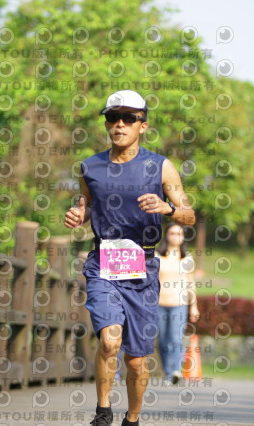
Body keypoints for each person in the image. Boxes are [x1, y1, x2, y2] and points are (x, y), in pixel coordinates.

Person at [64, 89, 195, 426]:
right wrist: (80, 213)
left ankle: (132, 418)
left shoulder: (161, 167)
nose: (119, 124)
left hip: (143, 271)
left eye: (128, 118)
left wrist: (167, 208)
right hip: (103, 265)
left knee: (137, 360)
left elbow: (188, 214)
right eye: (112, 117)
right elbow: (86, 202)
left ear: (143, 125)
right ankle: (103, 411)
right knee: (110, 341)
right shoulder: (90, 166)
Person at [155, 222, 200, 385]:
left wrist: (193, 306)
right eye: (172, 233)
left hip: (179, 303)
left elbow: (190, 283)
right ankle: (167, 372)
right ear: (166, 236)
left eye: (179, 234)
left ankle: (175, 370)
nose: (176, 237)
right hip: (159, 303)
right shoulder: (157, 256)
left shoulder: (186, 258)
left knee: (175, 338)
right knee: (162, 340)